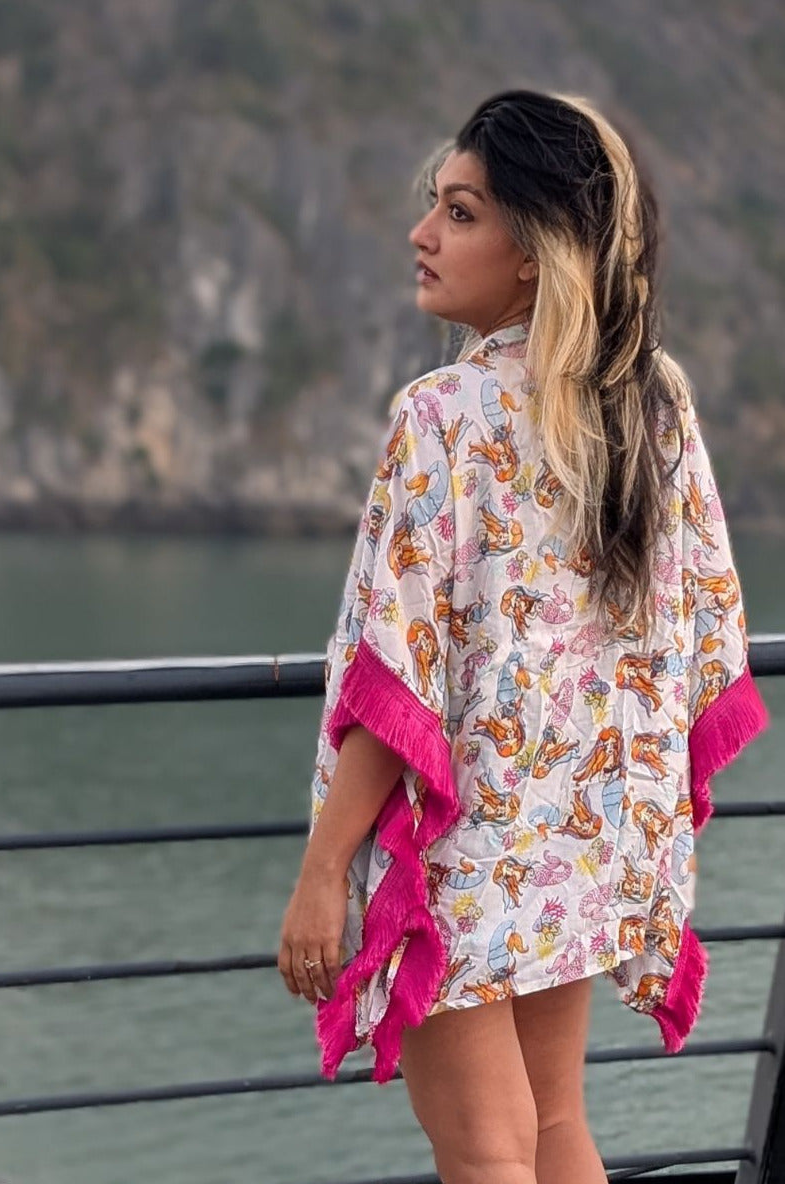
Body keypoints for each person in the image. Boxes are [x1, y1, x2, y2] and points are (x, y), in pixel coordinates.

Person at [277, 89, 771, 1184]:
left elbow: (396, 674)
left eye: (460, 213)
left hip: (465, 843)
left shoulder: (441, 417)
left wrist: (323, 870)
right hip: (582, 834)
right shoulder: (652, 406)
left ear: (538, 256)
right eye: (434, 204)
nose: (422, 233)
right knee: (551, 1127)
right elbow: (705, 629)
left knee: (486, 1149)